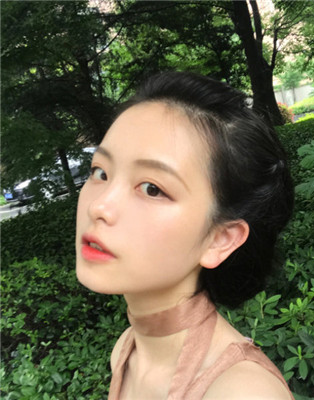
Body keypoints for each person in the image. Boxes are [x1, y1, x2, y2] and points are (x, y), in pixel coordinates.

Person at [75, 71, 295, 399]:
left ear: (220, 239)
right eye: (100, 172)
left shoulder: (242, 392)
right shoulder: (126, 350)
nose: (99, 206)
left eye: (152, 188)